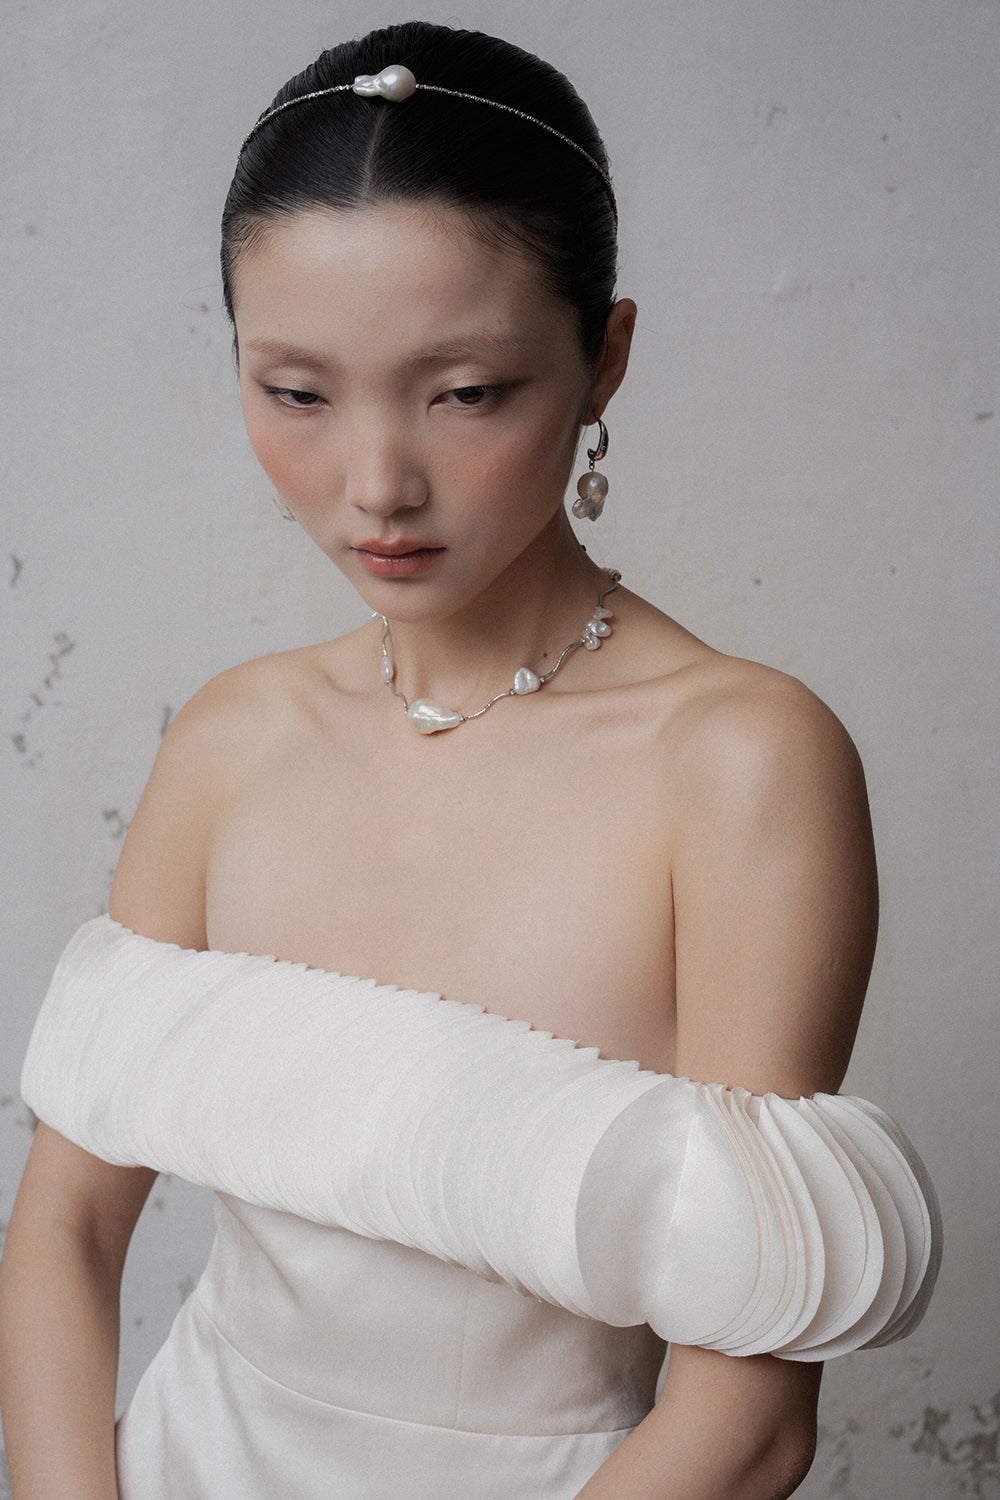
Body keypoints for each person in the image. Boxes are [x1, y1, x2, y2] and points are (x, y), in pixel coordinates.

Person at [0, 21, 939, 1500]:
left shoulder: (742, 764)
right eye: (297, 393)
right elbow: (64, 1225)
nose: (377, 483)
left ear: (604, 358)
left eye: (467, 392)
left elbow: (750, 1420)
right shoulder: (233, 738)